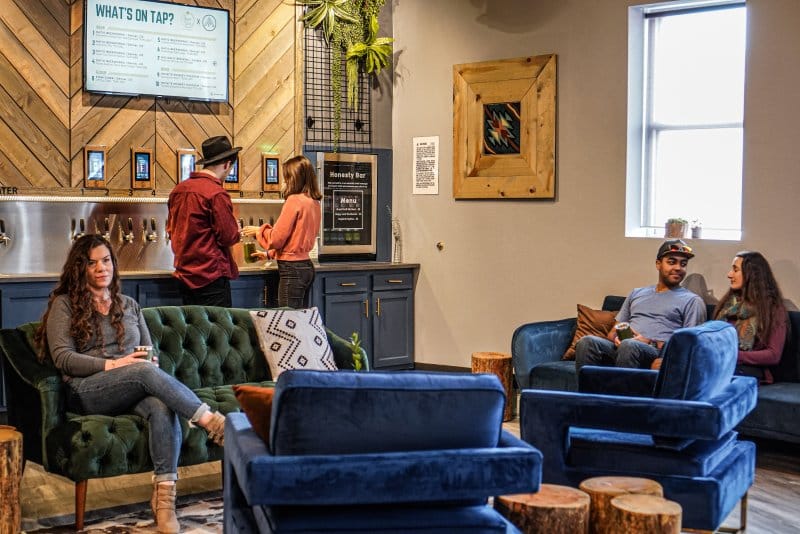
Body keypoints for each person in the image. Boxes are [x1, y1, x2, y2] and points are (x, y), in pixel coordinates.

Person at [34, 235, 226, 534]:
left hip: (131, 385)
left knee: (161, 404)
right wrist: (118, 364)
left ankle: (164, 501)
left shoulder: (129, 305)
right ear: (79, 268)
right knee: (142, 373)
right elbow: (63, 359)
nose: (102, 268)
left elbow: (150, 356)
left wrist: (145, 362)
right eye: (92, 262)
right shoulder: (65, 304)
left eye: (106, 260)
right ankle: (212, 422)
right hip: (87, 390)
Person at [575, 239, 707, 372]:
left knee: (630, 345)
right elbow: (612, 333)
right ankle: (587, 392)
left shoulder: (692, 301)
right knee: (586, 342)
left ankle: (623, 392)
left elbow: (690, 345)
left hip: (656, 352)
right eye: (671, 262)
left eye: (683, 264)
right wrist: (618, 339)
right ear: (658, 264)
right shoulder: (637, 293)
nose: (678, 268)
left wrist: (650, 342)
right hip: (625, 346)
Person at [167, 135, 241, 307]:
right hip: (211, 277)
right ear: (227, 164)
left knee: (193, 331)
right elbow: (228, 237)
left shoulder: (178, 190)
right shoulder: (216, 193)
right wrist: (236, 230)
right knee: (218, 332)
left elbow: (171, 229)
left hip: (185, 276)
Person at [241, 155, 322, 308]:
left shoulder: (294, 200)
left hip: (292, 271)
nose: (284, 182)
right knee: (299, 319)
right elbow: (293, 239)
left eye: (286, 178)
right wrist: (267, 254)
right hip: (306, 268)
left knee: (287, 320)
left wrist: (259, 231)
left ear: (294, 178)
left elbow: (276, 239)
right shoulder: (313, 202)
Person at [713, 251, 788, 384]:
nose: (729, 274)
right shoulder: (728, 305)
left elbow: (773, 355)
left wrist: (733, 355)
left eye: (735, 270)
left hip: (749, 369)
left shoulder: (774, 308)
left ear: (751, 274)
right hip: (718, 363)